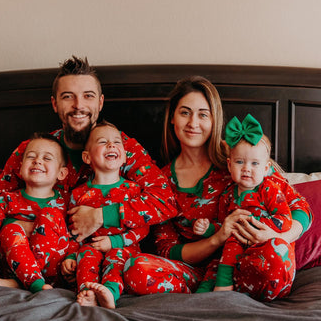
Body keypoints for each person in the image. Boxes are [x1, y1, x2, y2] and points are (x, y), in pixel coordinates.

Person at [0, 56, 177, 281]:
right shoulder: (34, 151)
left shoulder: (121, 148)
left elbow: (165, 201)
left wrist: (101, 216)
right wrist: (34, 227)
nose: (79, 105)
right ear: (55, 103)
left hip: (97, 256)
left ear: (100, 103)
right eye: (67, 97)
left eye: (88, 96)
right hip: (26, 249)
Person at [122, 76, 312, 302]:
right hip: (198, 274)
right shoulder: (161, 181)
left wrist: (277, 235)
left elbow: (300, 207)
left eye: (203, 114)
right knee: (135, 268)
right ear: (172, 117)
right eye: (185, 112)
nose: (193, 122)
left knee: (276, 253)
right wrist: (217, 238)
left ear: (214, 120)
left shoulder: (241, 160)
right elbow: (166, 250)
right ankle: (212, 294)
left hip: (253, 261)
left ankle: (230, 294)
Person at [195, 114, 293, 293]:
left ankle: (223, 289)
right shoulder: (227, 195)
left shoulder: (269, 189)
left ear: (265, 168)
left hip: (263, 247)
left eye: (255, 163)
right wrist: (208, 228)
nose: (247, 168)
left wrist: (256, 225)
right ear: (230, 165)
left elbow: (285, 218)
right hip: (232, 255)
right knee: (213, 269)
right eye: (240, 162)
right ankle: (200, 303)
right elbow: (223, 226)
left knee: (236, 242)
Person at [61, 121, 149, 309]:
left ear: (125, 156)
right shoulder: (79, 194)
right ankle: (87, 292)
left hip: (124, 248)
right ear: (87, 157)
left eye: (117, 142)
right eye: (102, 142)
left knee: (116, 258)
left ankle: (110, 292)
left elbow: (143, 228)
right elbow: (73, 231)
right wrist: (69, 255)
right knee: (84, 255)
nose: (111, 145)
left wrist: (114, 242)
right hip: (90, 246)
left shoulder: (132, 190)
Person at [0, 132, 69, 293]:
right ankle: (25, 281)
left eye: (47, 158)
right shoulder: (5, 201)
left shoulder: (65, 202)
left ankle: (27, 282)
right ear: (20, 168)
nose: (37, 160)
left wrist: (72, 259)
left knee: (49, 214)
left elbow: (74, 238)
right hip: (10, 265)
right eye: (31, 156)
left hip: (53, 270)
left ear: (62, 173)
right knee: (10, 229)